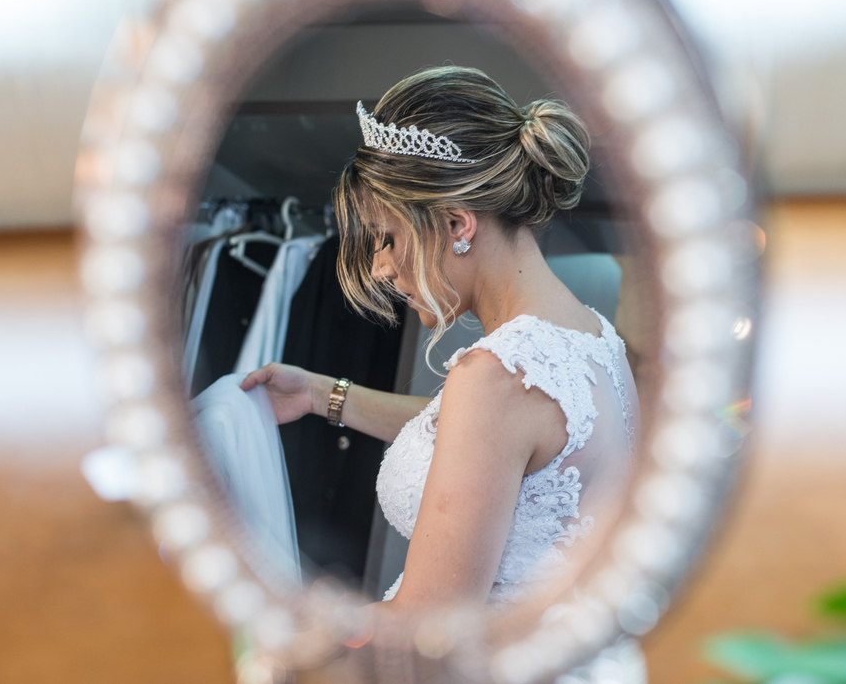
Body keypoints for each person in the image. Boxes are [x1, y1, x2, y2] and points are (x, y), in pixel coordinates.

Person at [240, 66, 637, 609]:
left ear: (456, 225)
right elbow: (471, 438)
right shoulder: (594, 338)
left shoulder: (497, 376)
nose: (380, 267)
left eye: (386, 238)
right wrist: (319, 394)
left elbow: (425, 628)